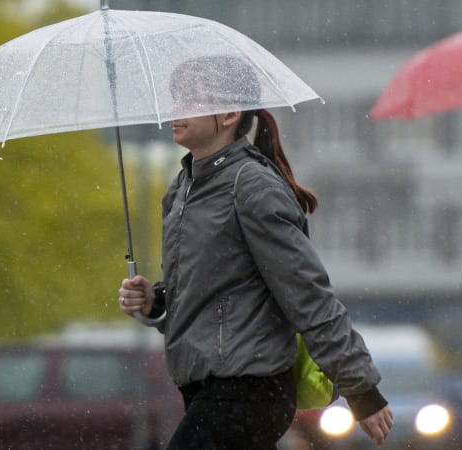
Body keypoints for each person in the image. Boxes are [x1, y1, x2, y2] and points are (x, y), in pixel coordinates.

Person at [117, 55, 393, 450]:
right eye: (175, 98)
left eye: (190, 99)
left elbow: (307, 292)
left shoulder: (251, 185)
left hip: (250, 388)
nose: (174, 110)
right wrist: (155, 302)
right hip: (202, 386)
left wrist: (361, 388)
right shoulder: (181, 189)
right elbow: (208, 293)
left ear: (229, 113)